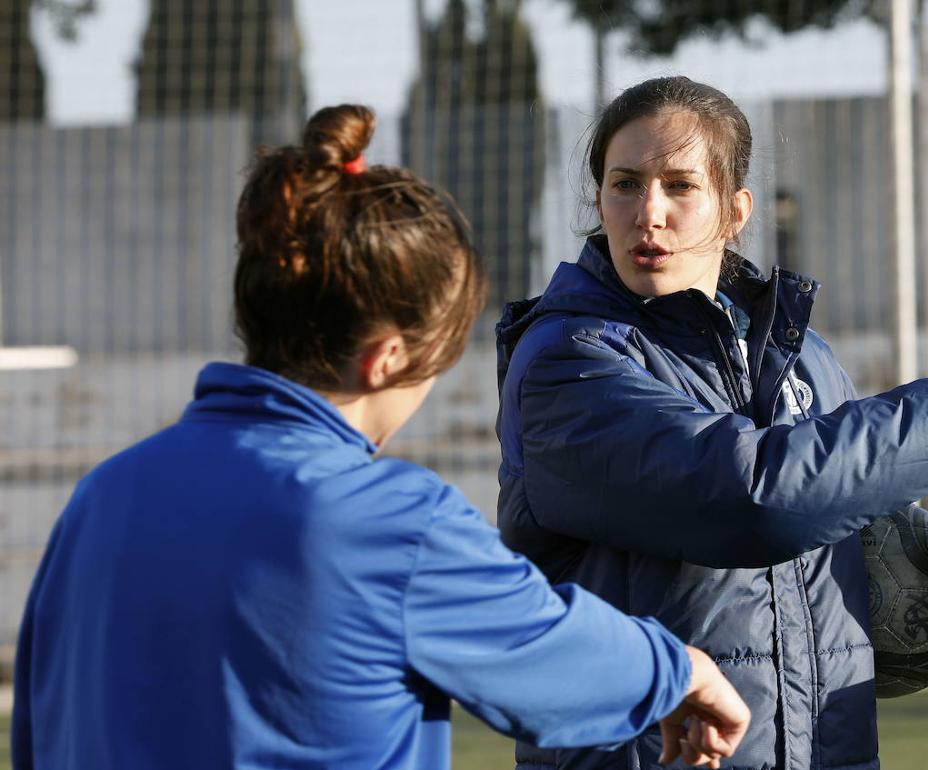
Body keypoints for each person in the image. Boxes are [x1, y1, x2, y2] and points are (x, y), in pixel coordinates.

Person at [11, 104, 751, 770]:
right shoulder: (383, 520)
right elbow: (547, 649)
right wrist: (683, 670)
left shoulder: (103, 495)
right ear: (389, 357)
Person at [495, 76, 928, 770]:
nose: (649, 212)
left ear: (735, 211)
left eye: (681, 186)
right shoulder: (567, 362)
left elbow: (844, 565)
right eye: (625, 184)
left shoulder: (801, 361)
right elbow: (748, 496)